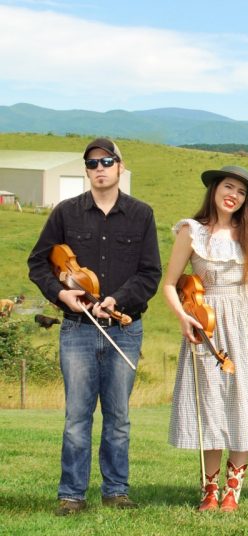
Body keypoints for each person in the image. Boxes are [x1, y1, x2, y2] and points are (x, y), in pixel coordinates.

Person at [27, 138, 162, 516]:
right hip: (77, 330)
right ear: (86, 170)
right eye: (91, 164)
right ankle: (71, 495)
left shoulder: (142, 214)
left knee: (118, 417)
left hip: (124, 329)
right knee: (76, 418)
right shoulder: (65, 213)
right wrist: (61, 295)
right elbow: (38, 263)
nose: (99, 168)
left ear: (120, 166)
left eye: (106, 161)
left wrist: (117, 299)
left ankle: (116, 490)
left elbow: (150, 273)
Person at [164, 165, 248, 512]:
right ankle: (209, 490)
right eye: (228, 187)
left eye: (242, 192)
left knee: (244, 400)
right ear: (215, 189)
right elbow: (170, 283)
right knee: (211, 403)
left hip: (247, 322)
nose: (233, 195)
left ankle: (233, 490)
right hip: (208, 322)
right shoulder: (192, 231)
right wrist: (184, 316)